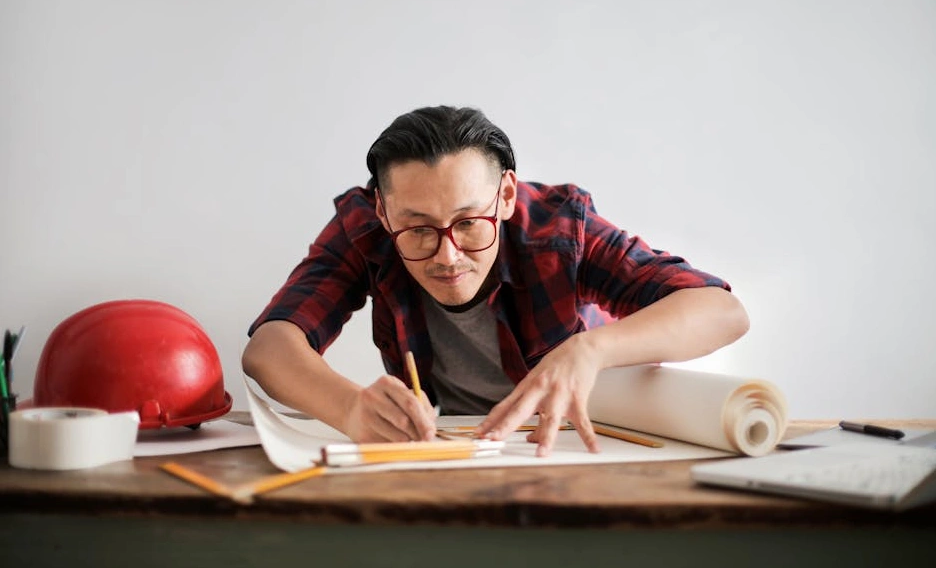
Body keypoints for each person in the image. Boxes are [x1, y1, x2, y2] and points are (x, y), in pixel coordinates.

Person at [242, 106, 749, 456]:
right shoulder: (365, 229)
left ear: (506, 195)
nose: (448, 257)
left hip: (570, 445)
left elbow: (722, 311)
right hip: (449, 451)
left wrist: (590, 351)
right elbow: (269, 347)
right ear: (383, 210)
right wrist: (350, 408)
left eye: (468, 222)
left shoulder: (557, 229)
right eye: (418, 229)